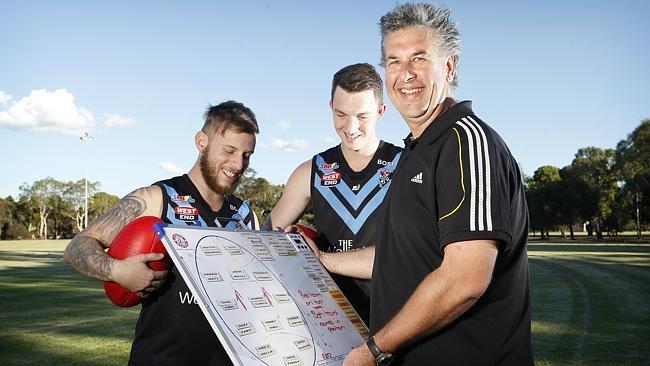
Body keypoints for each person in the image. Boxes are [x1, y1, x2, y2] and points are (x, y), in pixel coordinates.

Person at [298, 4, 533, 365]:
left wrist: (375, 348)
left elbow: (465, 279)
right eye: (393, 61)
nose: (404, 74)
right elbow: (402, 257)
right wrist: (324, 260)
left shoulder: (467, 142)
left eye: (419, 59)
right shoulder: (414, 153)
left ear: (449, 67)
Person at [64, 100, 259, 366]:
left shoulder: (245, 215)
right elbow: (78, 245)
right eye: (229, 150)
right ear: (202, 142)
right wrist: (117, 271)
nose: (238, 164)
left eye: (246, 154)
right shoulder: (157, 199)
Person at [266, 63, 403, 324]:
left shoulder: (406, 166)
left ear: (381, 112)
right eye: (341, 114)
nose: (351, 128)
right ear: (330, 107)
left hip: (394, 321)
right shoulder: (309, 172)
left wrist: (324, 258)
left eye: (362, 116)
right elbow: (267, 242)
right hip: (330, 323)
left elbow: (410, 255)